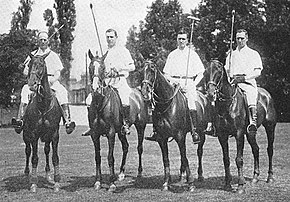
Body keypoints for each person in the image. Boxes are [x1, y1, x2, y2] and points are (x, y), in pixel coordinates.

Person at [145, 29, 213, 143]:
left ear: (187, 40)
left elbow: (201, 73)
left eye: (183, 39)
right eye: (179, 39)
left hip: (189, 83)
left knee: (191, 102)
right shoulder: (172, 54)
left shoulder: (193, 54)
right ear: (177, 40)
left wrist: (193, 84)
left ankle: (194, 131)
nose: (181, 41)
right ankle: (156, 131)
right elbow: (166, 73)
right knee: (158, 102)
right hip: (174, 84)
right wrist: (174, 81)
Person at [11, 31, 75, 134]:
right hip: (35, 82)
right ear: (38, 41)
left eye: (45, 39)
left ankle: (67, 121)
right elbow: (25, 71)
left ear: (48, 41)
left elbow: (58, 73)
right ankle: (20, 120)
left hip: (50, 81)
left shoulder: (53, 55)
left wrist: (52, 80)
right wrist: (25, 70)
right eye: (41, 40)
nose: (43, 41)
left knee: (62, 91)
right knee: (25, 90)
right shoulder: (33, 55)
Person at [82, 28, 135, 136]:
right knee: (89, 100)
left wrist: (118, 69)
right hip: (106, 82)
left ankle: (124, 124)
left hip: (119, 81)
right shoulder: (103, 51)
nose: (109, 39)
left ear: (116, 38)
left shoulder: (123, 51)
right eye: (108, 37)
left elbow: (132, 67)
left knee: (124, 98)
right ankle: (92, 126)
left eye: (112, 37)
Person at [225, 29, 263, 133]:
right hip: (233, 83)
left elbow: (258, 72)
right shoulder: (231, 55)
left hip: (247, 82)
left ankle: (252, 122)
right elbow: (227, 70)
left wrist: (244, 78)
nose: (240, 40)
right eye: (238, 38)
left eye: (242, 38)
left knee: (250, 95)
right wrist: (230, 78)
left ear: (246, 39)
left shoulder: (253, 54)